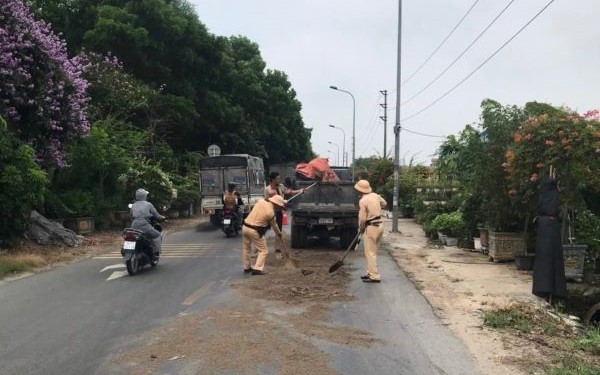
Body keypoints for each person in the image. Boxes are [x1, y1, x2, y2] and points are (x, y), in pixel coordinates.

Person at [532, 165, 567, 303]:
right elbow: (553, 188)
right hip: (550, 227)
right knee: (551, 259)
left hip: (544, 227)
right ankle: (552, 290)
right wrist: (553, 182)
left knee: (545, 258)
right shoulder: (549, 193)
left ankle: (545, 290)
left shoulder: (544, 193)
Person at [241, 194, 286, 275]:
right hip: (254, 230)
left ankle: (247, 267)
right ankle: (257, 269)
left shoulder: (260, 201)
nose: (279, 208)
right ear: (276, 205)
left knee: (246, 248)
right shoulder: (271, 213)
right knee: (263, 250)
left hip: (245, 226)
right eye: (279, 206)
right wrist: (279, 233)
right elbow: (274, 226)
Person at [354, 179, 387, 283]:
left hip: (371, 227)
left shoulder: (363, 201)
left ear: (359, 190)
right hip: (380, 225)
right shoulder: (375, 195)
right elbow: (384, 203)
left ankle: (374, 276)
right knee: (373, 252)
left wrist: (361, 228)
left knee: (370, 253)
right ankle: (370, 273)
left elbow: (362, 218)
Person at [130, 188, 166, 257]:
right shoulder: (148, 204)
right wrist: (163, 218)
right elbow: (157, 215)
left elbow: (131, 216)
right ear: (144, 196)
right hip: (145, 226)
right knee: (157, 235)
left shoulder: (134, 205)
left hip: (133, 226)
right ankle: (156, 252)